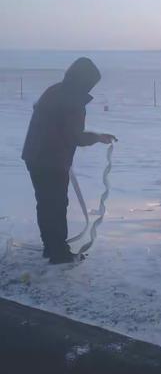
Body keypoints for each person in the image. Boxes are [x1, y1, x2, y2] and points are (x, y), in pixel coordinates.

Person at [22, 57, 117, 264]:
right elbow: (74, 136)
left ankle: (52, 247)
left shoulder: (56, 90)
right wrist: (98, 138)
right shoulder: (72, 99)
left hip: (36, 156)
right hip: (50, 160)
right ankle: (58, 252)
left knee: (47, 204)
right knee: (55, 204)